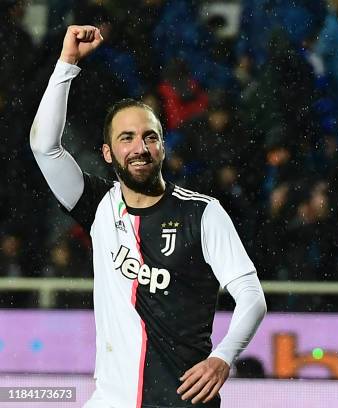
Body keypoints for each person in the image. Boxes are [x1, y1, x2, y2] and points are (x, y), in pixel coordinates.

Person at [30, 25, 267, 407]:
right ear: (107, 153)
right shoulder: (99, 206)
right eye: (126, 138)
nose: (140, 148)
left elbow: (252, 297)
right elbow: (44, 146)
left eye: (150, 137)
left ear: (162, 146)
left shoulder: (202, 212)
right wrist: (67, 63)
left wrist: (223, 357)